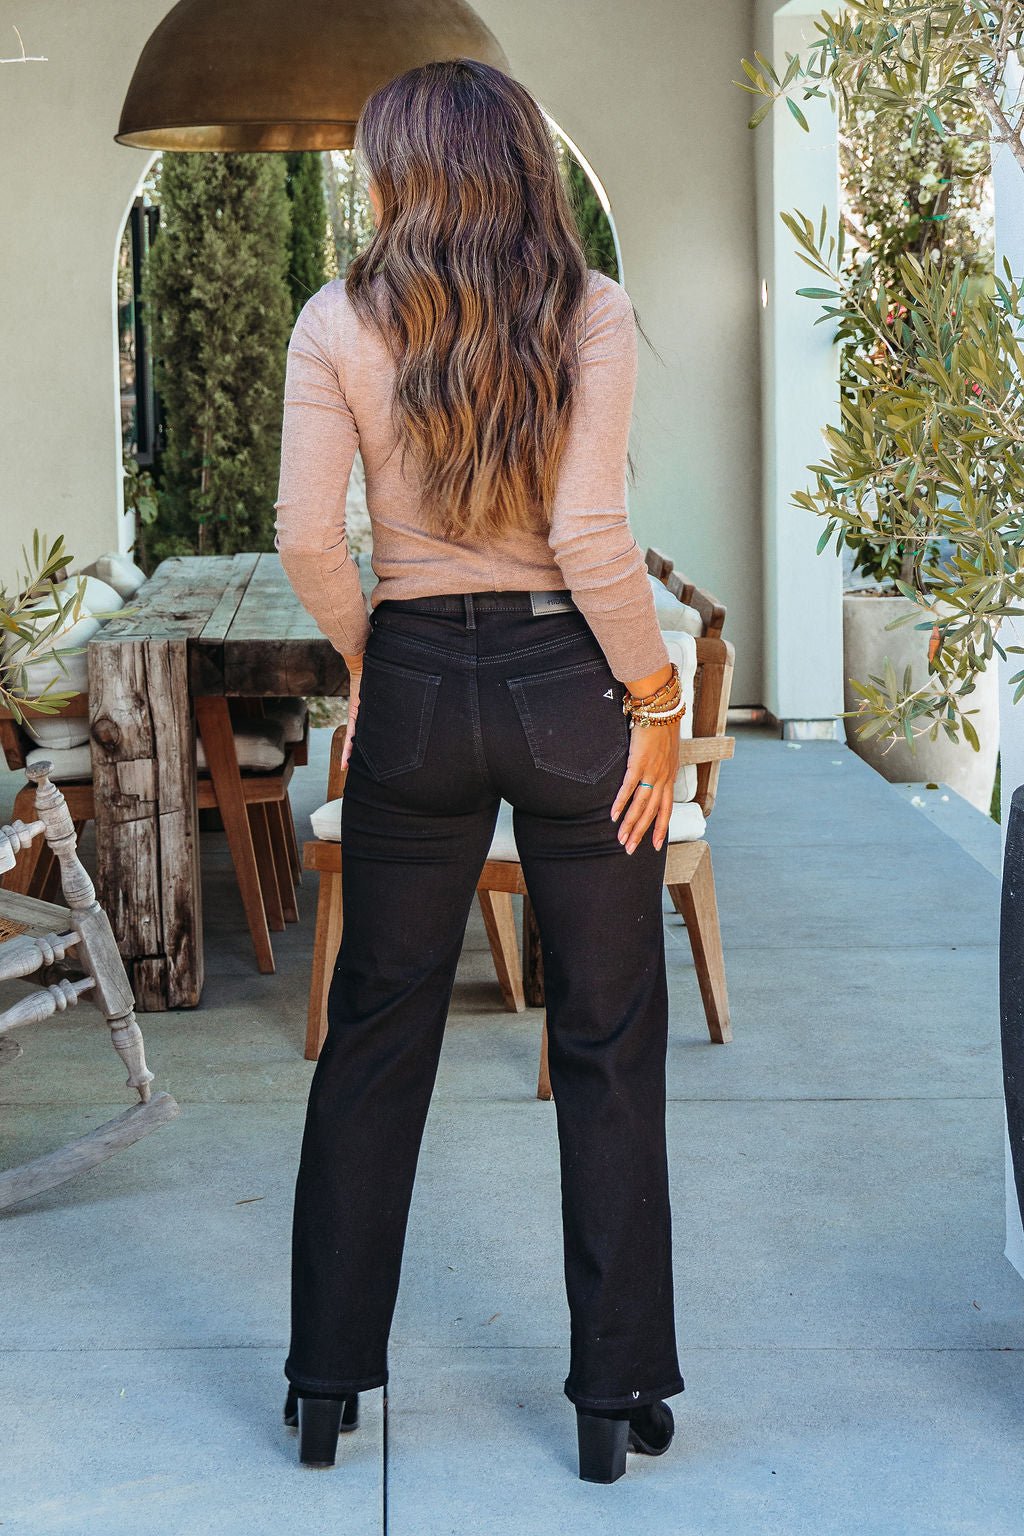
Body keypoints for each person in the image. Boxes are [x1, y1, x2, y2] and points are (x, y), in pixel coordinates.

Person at [273, 56, 686, 1485]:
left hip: (415, 689)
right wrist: (655, 696)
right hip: (571, 683)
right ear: (523, 164)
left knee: (376, 1027)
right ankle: (614, 1395)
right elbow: (588, 534)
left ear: (400, 174)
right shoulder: (590, 308)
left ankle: (326, 1381)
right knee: (608, 1036)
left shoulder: (334, 318)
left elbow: (308, 539)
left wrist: (374, 656)